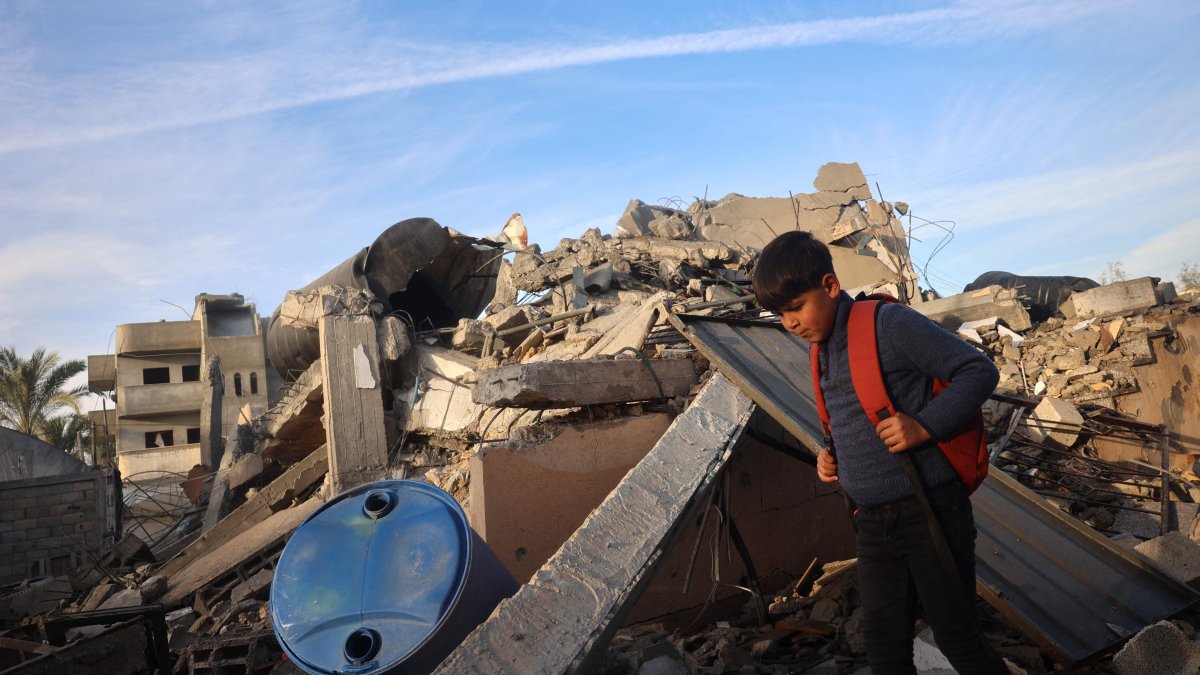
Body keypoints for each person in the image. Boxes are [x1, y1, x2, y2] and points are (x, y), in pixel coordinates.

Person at [752, 231, 1007, 675]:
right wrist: (830, 456)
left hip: (929, 509)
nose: (789, 323)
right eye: (780, 314)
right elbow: (852, 416)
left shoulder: (887, 325)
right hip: (873, 521)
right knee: (884, 647)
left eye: (795, 307)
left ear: (830, 286)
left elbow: (978, 370)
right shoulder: (821, 350)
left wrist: (924, 425)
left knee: (957, 636)